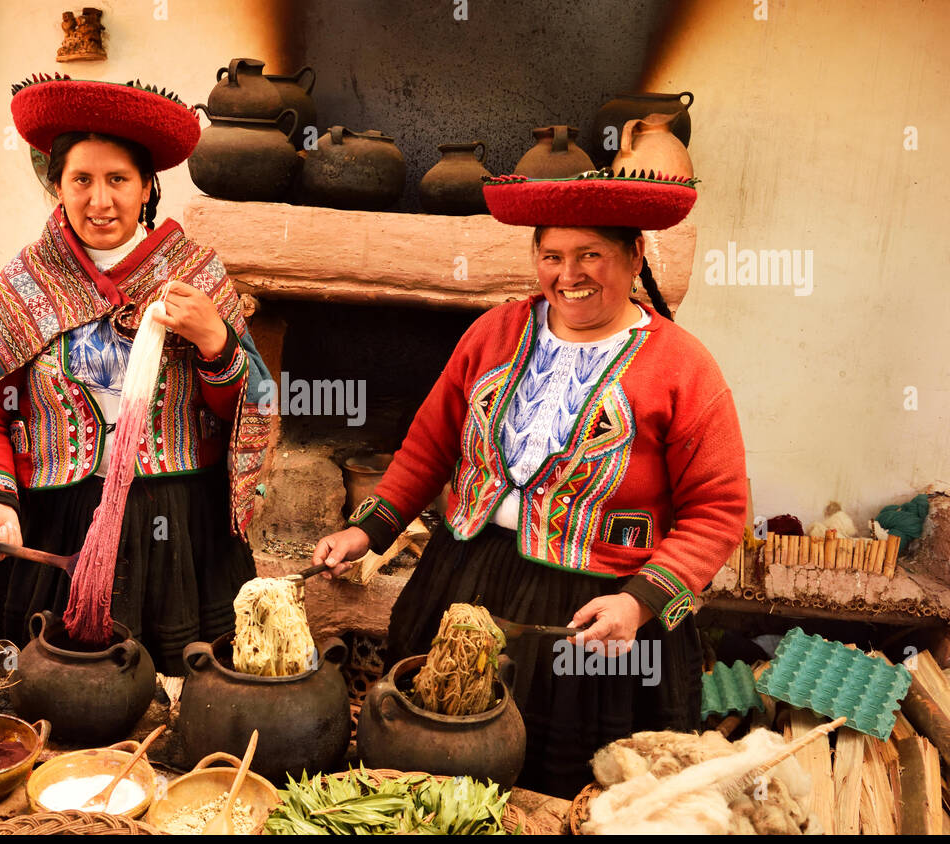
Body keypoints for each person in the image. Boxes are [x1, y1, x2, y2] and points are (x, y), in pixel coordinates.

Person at [313, 171, 748, 798]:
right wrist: (368, 530)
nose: (569, 274)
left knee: (558, 783)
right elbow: (432, 442)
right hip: (465, 573)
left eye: (591, 254)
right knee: (433, 754)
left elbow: (718, 508)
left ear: (636, 255)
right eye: (552, 256)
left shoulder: (682, 366)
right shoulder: (495, 332)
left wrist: (638, 603)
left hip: (596, 606)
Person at [0, 75, 273, 675]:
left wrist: (215, 341)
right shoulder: (24, 285)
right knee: (54, 693)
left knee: (172, 697)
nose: (101, 201)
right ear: (57, 188)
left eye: (118, 180)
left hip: (175, 530)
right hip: (53, 525)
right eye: (81, 180)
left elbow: (244, 412)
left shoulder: (196, 275)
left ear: (148, 187)